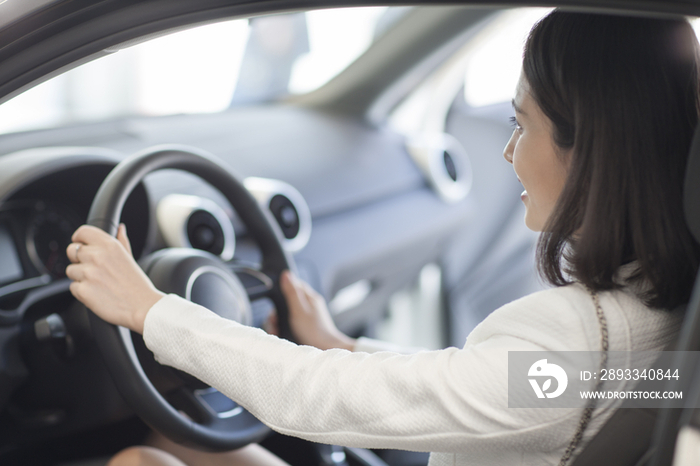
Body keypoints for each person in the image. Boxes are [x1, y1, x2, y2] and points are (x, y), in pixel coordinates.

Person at [64, 10, 700, 466]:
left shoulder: (569, 339)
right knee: (179, 442)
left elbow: (320, 397)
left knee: (141, 459)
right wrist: (343, 343)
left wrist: (150, 310)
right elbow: (478, 386)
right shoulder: (665, 312)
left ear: (590, 148)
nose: (508, 151)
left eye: (521, 123)